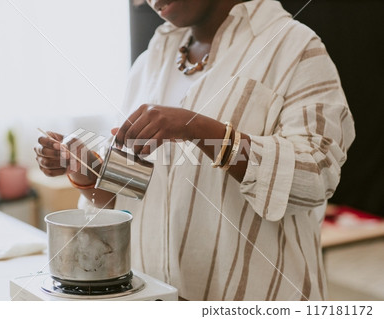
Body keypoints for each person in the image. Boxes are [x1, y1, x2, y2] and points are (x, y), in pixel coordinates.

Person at [35, 0, 355, 300]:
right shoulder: (153, 59)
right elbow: (139, 193)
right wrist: (88, 171)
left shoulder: (294, 47)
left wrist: (197, 128)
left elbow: (315, 176)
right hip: (159, 296)